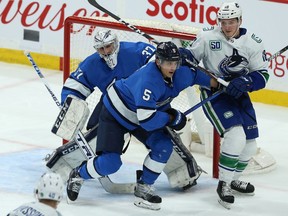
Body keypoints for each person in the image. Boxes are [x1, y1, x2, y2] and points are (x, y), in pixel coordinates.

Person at [66, 41, 219, 210]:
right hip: (116, 113)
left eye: (175, 62)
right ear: (158, 62)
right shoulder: (148, 81)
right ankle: (77, 174)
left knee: (163, 146)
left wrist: (221, 85)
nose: (172, 67)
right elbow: (147, 121)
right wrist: (171, 117)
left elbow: (199, 76)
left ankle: (144, 186)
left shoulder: (182, 73)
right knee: (110, 163)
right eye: (168, 63)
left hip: (141, 114)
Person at [181, 1, 269, 209]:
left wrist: (246, 82)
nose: (227, 26)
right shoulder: (207, 37)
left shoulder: (253, 43)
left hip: (239, 95)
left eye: (231, 22)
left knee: (249, 146)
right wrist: (184, 56)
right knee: (235, 136)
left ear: (240, 21)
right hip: (215, 94)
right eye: (223, 22)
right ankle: (224, 184)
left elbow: (263, 75)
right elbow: (190, 57)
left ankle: (234, 178)